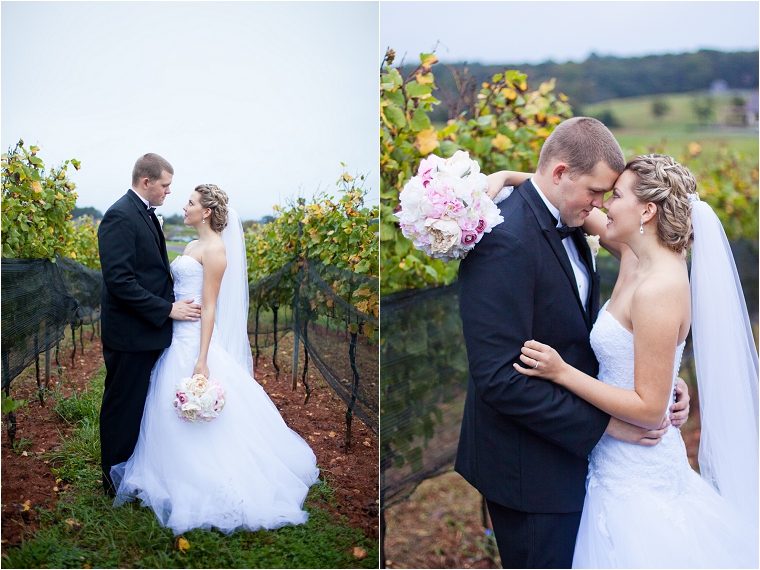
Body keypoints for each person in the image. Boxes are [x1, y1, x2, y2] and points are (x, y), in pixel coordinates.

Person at [455, 117, 690, 568]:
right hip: (530, 471)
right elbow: (499, 378)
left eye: (610, 196)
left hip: (597, 462)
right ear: (561, 174)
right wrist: (606, 425)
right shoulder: (505, 238)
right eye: (598, 193)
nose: (601, 206)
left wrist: (666, 380)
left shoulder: (587, 223)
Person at [511, 154, 758, 567]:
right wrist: (507, 177)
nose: (604, 203)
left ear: (647, 210)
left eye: (616, 195)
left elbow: (648, 409)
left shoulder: (660, 287)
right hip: (607, 455)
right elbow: (562, 199)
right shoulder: (634, 253)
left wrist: (562, 372)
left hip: (639, 471)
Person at [110, 184, 320, 535]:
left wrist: (202, 358)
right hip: (174, 333)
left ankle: (204, 479)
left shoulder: (216, 250)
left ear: (206, 211)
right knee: (164, 405)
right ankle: (169, 470)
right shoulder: (192, 245)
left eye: (190, 202)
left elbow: (209, 307)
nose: (185, 206)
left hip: (194, 340)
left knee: (192, 406)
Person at [98, 153, 202, 496]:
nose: (169, 191)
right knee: (122, 406)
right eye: (165, 185)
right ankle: (113, 481)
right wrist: (167, 309)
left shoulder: (144, 215)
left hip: (145, 331)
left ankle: (133, 473)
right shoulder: (120, 216)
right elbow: (121, 282)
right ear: (147, 182)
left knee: (138, 407)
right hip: (129, 333)